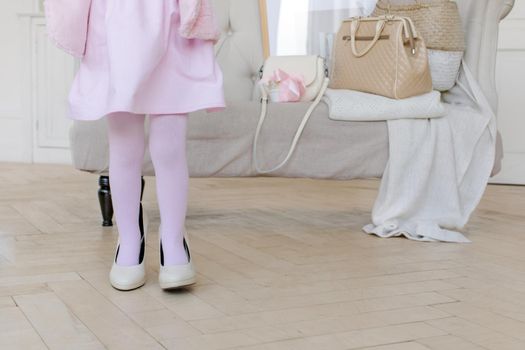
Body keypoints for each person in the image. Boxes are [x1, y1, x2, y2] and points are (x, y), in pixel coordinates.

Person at [46, 0, 225, 291]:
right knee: (124, 146)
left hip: (170, 19)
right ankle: (130, 237)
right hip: (114, 21)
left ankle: (173, 238)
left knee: (169, 144)